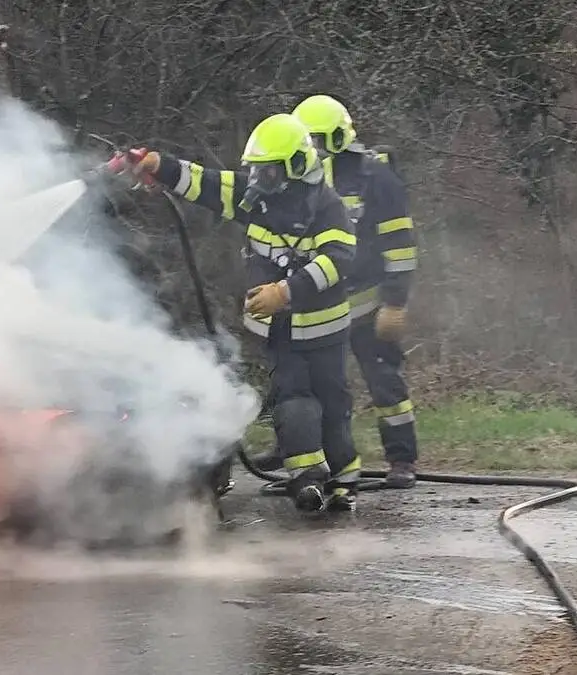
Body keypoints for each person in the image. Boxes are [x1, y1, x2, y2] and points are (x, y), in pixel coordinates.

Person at [117, 113, 361, 513]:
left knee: (333, 403)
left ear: (296, 167)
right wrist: (161, 166)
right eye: (257, 171)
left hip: (324, 328)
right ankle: (308, 480)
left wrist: (285, 291)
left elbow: (338, 259)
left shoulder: (327, 208)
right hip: (282, 330)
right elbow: (208, 183)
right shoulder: (260, 196)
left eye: (268, 172)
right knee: (293, 398)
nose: (258, 180)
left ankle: (344, 482)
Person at [291, 94, 420, 488]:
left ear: (335, 137)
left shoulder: (374, 178)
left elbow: (399, 244)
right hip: (317, 304)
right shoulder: (297, 177)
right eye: (304, 140)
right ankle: (303, 453)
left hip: (367, 302)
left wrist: (395, 302)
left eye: (317, 139)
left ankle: (401, 460)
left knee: (385, 382)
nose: (311, 148)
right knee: (305, 384)